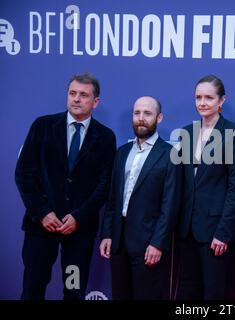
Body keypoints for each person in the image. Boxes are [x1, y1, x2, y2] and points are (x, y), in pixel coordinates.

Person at [15, 73, 116, 300]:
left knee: (73, 290)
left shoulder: (105, 137)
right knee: (33, 287)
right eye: (72, 93)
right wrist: (42, 213)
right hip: (40, 228)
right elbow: (24, 174)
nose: (76, 99)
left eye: (83, 95)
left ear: (95, 102)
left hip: (78, 233)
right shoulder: (43, 126)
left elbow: (104, 184)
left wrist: (78, 217)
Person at [99, 96, 182, 300]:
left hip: (148, 245)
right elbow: (112, 199)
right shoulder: (122, 152)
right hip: (118, 243)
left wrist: (157, 243)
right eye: (137, 113)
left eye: (147, 113)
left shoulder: (170, 154)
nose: (141, 118)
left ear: (159, 118)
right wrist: (107, 234)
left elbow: (170, 205)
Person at [176, 75, 235, 300]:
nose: (202, 103)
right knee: (187, 291)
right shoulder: (187, 132)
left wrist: (224, 233)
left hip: (215, 233)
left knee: (214, 293)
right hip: (187, 231)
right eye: (198, 97)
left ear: (221, 100)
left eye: (208, 97)